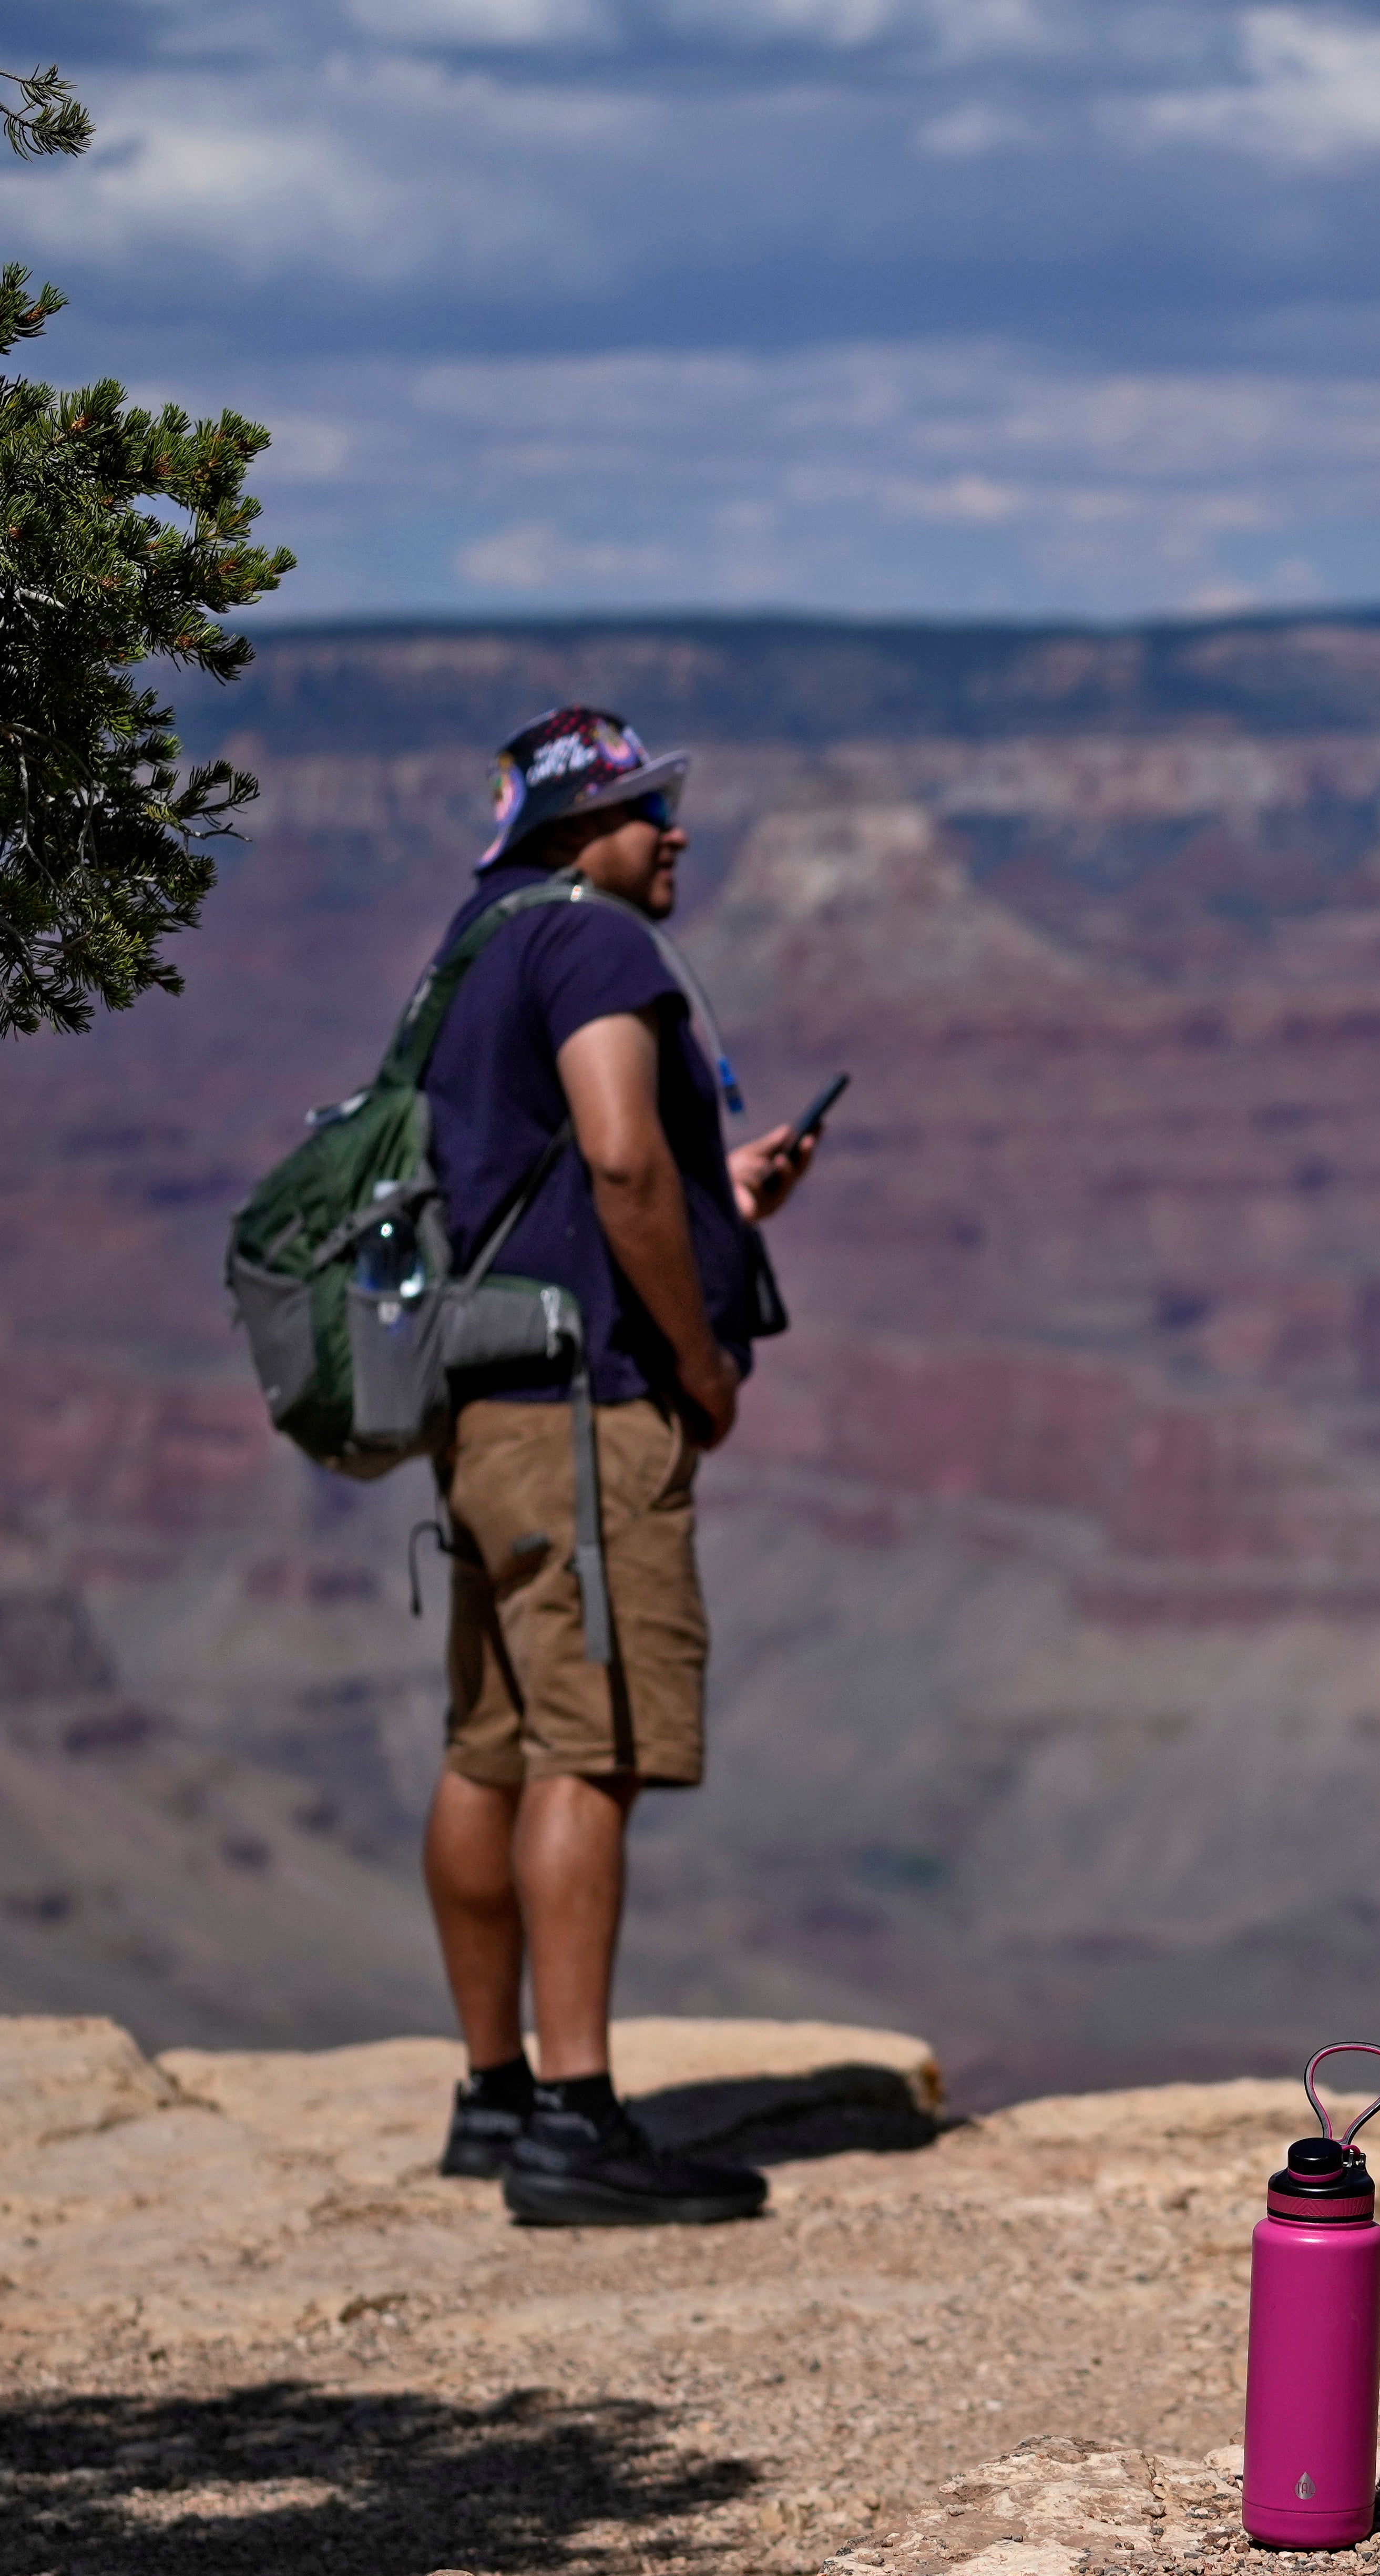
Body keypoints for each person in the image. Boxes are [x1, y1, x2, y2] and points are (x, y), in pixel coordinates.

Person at [415, 706, 817, 2226]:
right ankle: (576, 2126)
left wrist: (727, 1200)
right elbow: (619, 1156)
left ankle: (492, 2095)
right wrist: (702, 1361)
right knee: (591, 1743)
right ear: (583, 828)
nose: (677, 836)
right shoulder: (594, 942)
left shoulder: (478, 940)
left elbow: (546, 1170)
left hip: (485, 1398)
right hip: (589, 1407)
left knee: (493, 1740)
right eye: (651, 808)